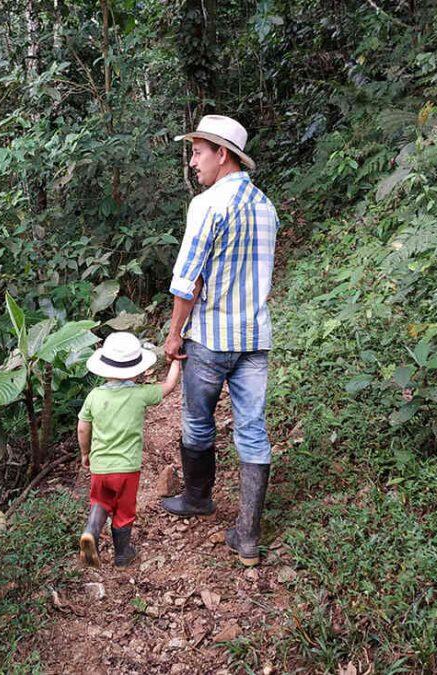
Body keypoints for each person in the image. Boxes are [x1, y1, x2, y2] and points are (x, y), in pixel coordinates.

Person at [160, 114, 278, 567]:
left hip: (211, 336)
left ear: (221, 154)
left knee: (197, 421)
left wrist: (174, 335)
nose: (192, 162)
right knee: (252, 428)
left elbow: (187, 280)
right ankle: (247, 536)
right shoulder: (266, 207)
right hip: (255, 336)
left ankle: (197, 498)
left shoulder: (208, 205)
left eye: (197, 152)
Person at [77, 332, 182, 567]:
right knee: (123, 512)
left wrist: (85, 453)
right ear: (136, 370)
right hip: (127, 469)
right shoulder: (139, 394)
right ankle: (122, 554)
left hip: (101, 467)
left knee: (101, 502)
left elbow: (83, 428)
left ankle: (90, 532)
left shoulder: (94, 396)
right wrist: (176, 361)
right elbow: (169, 386)